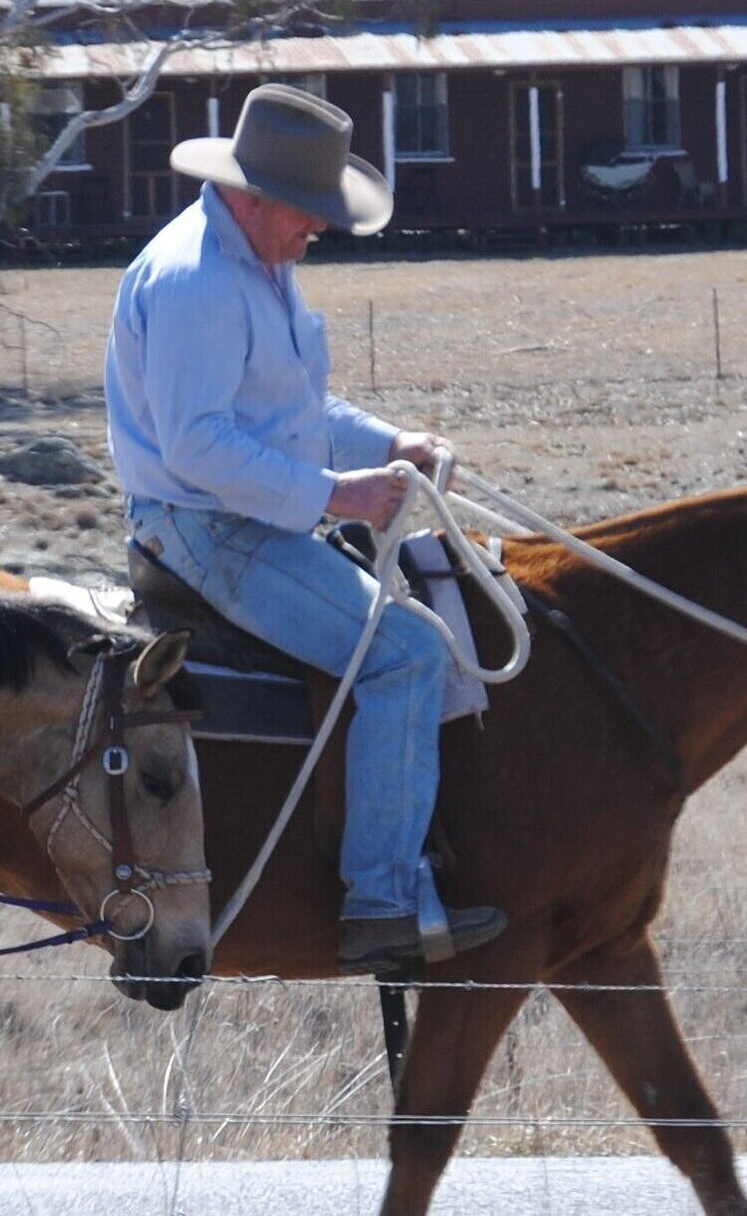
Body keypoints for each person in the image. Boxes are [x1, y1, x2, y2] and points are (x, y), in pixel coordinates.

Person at [105, 84, 504, 976]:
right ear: (255, 197)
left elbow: (291, 410)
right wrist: (339, 496)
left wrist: (388, 444)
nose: (317, 231)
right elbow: (199, 446)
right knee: (406, 652)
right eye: (311, 213)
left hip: (240, 517)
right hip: (203, 530)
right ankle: (381, 901)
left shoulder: (257, 263)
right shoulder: (198, 281)